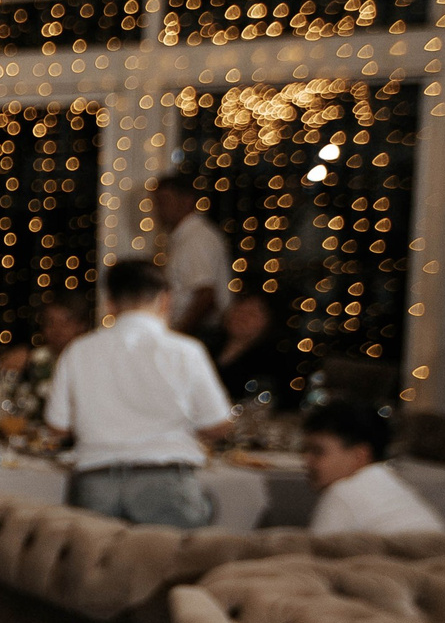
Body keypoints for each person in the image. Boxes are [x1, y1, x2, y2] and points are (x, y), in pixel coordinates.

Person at [45, 259, 234, 528]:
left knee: (96, 567)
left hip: (96, 482)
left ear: (110, 302)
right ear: (164, 299)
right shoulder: (184, 351)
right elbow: (218, 424)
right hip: (166, 481)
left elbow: (57, 427)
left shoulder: (79, 350)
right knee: (168, 567)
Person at [304, 400, 444, 535]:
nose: (307, 460)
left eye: (317, 451)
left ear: (359, 456)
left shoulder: (344, 493)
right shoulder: (386, 483)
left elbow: (317, 557)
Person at [154, 175, 230, 339]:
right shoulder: (184, 237)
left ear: (187, 201)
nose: (158, 209)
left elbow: (206, 294)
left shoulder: (196, 238)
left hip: (201, 333)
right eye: (156, 202)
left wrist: (180, 335)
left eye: (164, 202)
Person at [215, 291, 304, 410]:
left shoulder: (276, 360)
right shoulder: (205, 346)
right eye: (238, 310)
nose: (242, 317)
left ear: (268, 321)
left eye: (251, 314)